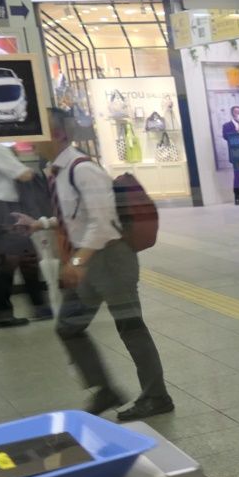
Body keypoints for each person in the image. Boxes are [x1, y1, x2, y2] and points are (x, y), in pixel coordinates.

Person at [13, 109, 172, 419]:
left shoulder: (83, 170)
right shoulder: (59, 171)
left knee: (131, 327)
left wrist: (77, 262)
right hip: (90, 261)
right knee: (68, 326)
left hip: (109, 259)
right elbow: (76, 217)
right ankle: (105, 389)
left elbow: (103, 225)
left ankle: (157, 396)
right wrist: (40, 224)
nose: (32, 139)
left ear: (57, 134)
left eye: (38, 131)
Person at [0, 142, 48, 326]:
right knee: (16, 259)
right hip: (3, 209)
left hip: (0, 210)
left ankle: (36, 305)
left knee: (15, 257)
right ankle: (4, 312)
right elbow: (23, 175)